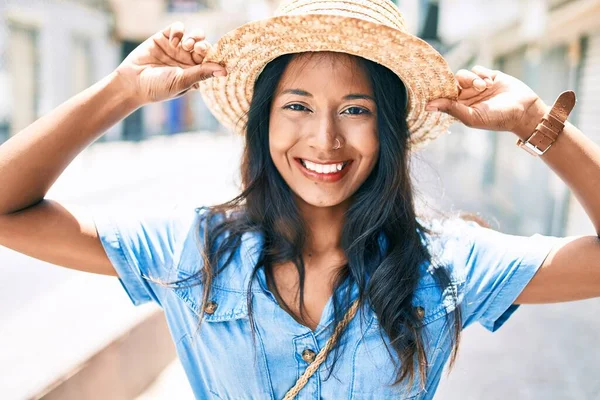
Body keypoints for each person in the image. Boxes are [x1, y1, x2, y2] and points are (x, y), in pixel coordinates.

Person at [0, 0, 599, 398]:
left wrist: (534, 123)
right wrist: (122, 91)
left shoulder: (447, 264)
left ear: (387, 129)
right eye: (297, 105)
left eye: (356, 110)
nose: (325, 138)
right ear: (263, 121)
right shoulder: (193, 250)